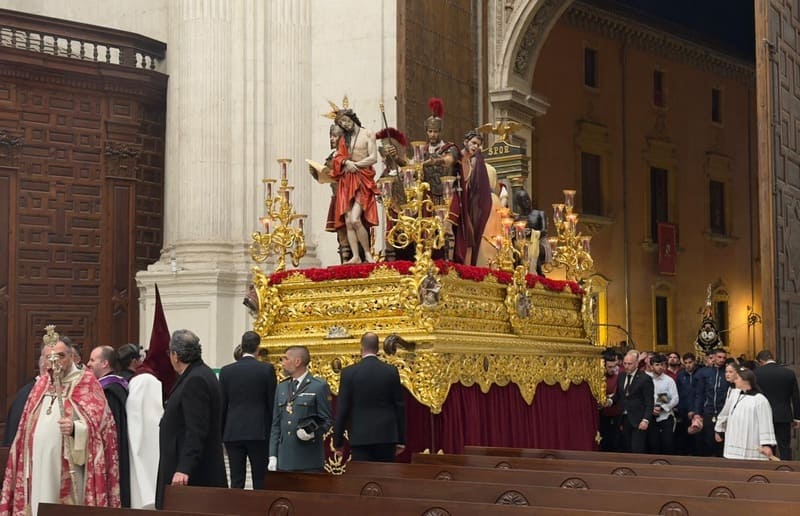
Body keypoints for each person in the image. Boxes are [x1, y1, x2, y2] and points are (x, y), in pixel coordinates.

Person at [1, 329, 120, 515]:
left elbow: (103, 430)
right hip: (37, 464)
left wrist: (75, 429)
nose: (54, 363)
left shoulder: (86, 382)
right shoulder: (41, 384)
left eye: (60, 356)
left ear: (72, 356)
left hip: (70, 466)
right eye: (49, 358)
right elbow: (25, 426)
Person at [155, 330, 227, 509]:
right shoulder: (198, 374)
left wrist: (184, 468)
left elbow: (197, 429)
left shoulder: (196, 380)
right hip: (189, 465)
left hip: (194, 473)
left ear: (175, 355)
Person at [333, 332, 406, 462]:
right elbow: (399, 406)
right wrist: (401, 440)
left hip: (360, 437)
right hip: (386, 436)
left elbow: (342, 409)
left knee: (363, 478)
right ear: (378, 349)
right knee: (385, 477)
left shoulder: (349, 373)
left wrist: (338, 443)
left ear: (361, 348)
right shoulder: (391, 371)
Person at [219, 331, 277, 489]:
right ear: (258, 348)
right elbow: (271, 403)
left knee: (236, 478)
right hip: (258, 431)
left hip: (232, 431)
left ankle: (236, 510)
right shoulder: (266, 370)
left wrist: (221, 432)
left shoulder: (226, 371)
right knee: (260, 479)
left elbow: (222, 404)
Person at [326, 104, 380, 264]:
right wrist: (344, 161)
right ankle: (356, 256)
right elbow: (338, 157)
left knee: (356, 219)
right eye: (341, 123)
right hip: (347, 180)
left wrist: (355, 165)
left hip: (362, 178)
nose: (344, 124)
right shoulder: (344, 139)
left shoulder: (368, 134)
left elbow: (373, 158)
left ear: (352, 117)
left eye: (345, 120)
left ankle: (368, 254)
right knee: (348, 221)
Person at [268, 346, 333, 472]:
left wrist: (311, 432)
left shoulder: (318, 386)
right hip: (284, 459)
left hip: (308, 459)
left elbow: (326, 420)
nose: (283, 362)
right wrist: (273, 455)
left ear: (297, 362)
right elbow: (276, 424)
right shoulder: (282, 387)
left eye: (286, 359)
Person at [87, 346, 131, 508]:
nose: (88, 364)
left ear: (105, 363)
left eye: (92, 360)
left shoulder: (109, 391)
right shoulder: (111, 387)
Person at [448, 130, 493, 266]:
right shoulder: (455, 158)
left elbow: (467, 189)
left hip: (462, 204)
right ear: (465, 142)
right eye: (473, 143)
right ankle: (448, 262)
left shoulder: (471, 165)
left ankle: (461, 266)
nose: (475, 147)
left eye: (478, 145)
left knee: (467, 235)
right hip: (450, 200)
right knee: (449, 231)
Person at [714, 367, 777, 460]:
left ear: (746, 380)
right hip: (733, 442)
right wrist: (719, 430)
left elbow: (765, 423)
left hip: (752, 444)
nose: (734, 381)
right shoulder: (734, 394)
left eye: (737, 378)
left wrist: (766, 445)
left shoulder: (759, 400)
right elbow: (725, 413)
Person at [754, 349, 800, 459]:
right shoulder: (788, 373)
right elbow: (795, 397)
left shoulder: (756, 373)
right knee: (784, 447)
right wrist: (797, 418)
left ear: (760, 361)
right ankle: (786, 471)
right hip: (783, 415)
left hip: (763, 416)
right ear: (772, 358)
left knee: (767, 447)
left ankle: (769, 471)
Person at [614, 350, 654, 453]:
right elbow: (618, 395)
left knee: (637, 448)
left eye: (630, 364)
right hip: (624, 418)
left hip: (639, 419)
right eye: (625, 363)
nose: (627, 366)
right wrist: (609, 401)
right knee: (626, 448)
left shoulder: (645, 379)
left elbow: (649, 402)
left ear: (636, 364)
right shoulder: (621, 376)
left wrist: (645, 420)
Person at [693, 348, 728, 457]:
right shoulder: (705, 372)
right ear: (713, 357)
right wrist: (697, 412)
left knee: (721, 440)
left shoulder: (727, 372)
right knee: (708, 439)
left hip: (723, 412)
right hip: (708, 410)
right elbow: (699, 394)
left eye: (724, 358)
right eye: (719, 357)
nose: (722, 360)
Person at [647, 354, 678, 454]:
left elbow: (675, 399)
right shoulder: (647, 379)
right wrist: (652, 408)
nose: (660, 367)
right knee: (653, 445)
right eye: (657, 364)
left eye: (662, 365)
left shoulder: (669, 380)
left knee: (667, 445)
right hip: (650, 417)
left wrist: (662, 407)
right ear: (651, 366)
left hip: (666, 417)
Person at [513, 188, 548, 276]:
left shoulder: (540, 214)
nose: (527, 202)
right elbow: (514, 235)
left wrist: (532, 233)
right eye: (523, 201)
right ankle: (518, 272)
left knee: (531, 248)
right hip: (521, 244)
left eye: (528, 199)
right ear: (519, 204)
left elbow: (544, 231)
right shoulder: (517, 219)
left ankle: (537, 272)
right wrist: (519, 233)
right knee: (513, 249)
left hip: (538, 242)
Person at [675, 352, 702, 455]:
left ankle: (697, 455)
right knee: (685, 434)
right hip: (683, 409)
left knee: (697, 435)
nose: (688, 365)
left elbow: (700, 393)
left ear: (694, 362)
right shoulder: (680, 375)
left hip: (697, 410)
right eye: (685, 363)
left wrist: (695, 410)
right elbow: (678, 391)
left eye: (690, 362)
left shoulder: (700, 373)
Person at [598, 353, 622, 452]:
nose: (612, 369)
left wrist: (610, 398)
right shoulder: (598, 377)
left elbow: (618, 394)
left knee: (616, 441)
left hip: (616, 413)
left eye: (614, 366)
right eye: (610, 367)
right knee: (604, 440)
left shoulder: (620, 376)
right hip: (602, 414)